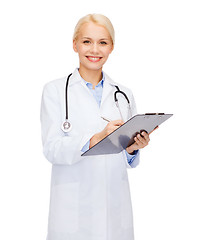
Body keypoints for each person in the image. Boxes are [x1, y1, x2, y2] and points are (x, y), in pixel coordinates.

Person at [40, 13, 150, 240]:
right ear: (75, 44)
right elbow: (52, 149)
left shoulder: (124, 95)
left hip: (113, 210)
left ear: (111, 47)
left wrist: (132, 148)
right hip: (72, 211)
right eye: (87, 41)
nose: (94, 50)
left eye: (103, 42)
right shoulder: (55, 91)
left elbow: (125, 155)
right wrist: (96, 138)